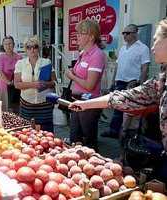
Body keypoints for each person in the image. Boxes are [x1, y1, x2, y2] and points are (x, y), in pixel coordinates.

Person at [68, 19, 167, 182]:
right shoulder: (161, 79)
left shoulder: (98, 55)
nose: (152, 46)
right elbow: (127, 96)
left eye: (156, 40)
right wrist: (84, 105)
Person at [102, 24, 150, 138]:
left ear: (135, 33)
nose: (124, 35)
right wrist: (113, 81)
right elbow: (118, 66)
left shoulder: (143, 48)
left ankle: (128, 135)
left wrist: (141, 85)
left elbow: (145, 67)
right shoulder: (123, 48)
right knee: (117, 107)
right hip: (120, 81)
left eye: (127, 33)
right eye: (123, 33)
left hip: (132, 83)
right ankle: (114, 131)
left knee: (130, 111)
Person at [65, 19, 106, 150]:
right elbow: (81, 73)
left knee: (88, 142)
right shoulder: (82, 53)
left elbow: (90, 85)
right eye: (77, 33)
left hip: (88, 102)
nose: (77, 36)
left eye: (81, 33)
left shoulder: (97, 55)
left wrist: (72, 76)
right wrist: (74, 72)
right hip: (77, 99)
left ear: (91, 36)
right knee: (74, 137)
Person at [14, 36, 56, 132]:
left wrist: (45, 83)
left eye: (35, 47)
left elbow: (54, 82)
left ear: (39, 48)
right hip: (27, 104)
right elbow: (17, 84)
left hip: (44, 104)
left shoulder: (46, 62)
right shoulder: (20, 63)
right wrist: (34, 84)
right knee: (27, 132)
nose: (32, 49)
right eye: (29, 47)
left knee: (46, 133)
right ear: (26, 49)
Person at [0, 36, 22, 112]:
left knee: (15, 110)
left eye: (10, 43)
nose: (8, 46)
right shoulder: (0, 56)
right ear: (3, 46)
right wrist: (9, 82)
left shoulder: (19, 57)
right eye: (6, 44)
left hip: (15, 87)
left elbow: (21, 71)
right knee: (2, 111)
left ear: (14, 44)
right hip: (3, 87)